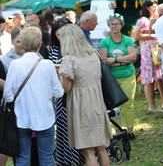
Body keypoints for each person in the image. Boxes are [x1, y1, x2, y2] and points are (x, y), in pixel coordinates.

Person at [3, 26, 64, 165]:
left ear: (23, 44)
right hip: (45, 117)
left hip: (22, 117)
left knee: (22, 158)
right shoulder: (48, 65)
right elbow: (59, 92)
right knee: (46, 158)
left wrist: (17, 101)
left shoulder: (15, 64)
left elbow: (8, 94)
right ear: (40, 43)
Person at [58, 24, 111, 166]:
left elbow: (65, 88)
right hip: (98, 104)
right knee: (101, 149)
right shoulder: (94, 54)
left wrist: (58, 75)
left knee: (88, 151)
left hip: (81, 107)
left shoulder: (69, 60)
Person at [49, 18, 84, 166]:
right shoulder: (54, 50)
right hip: (61, 97)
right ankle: (66, 161)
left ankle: (80, 160)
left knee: (78, 131)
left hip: (78, 96)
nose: (62, 38)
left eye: (64, 34)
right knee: (64, 131)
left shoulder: (79, 50)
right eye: (58, 35)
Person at [99, 13, 137, 132]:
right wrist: (124, 60)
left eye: (116, 24)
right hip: (111, 79)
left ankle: (130, 130)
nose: (114, 26)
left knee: (128, 104)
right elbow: (105, 61)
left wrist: (115, 60)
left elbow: (133, 57)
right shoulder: (105, 42)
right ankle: (120, 130)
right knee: (115, 105)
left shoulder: (128, 40)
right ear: (108, 25)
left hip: (127, 76)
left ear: (121, 25)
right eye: (112, 24)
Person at [134, 0, 163, 112]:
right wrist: (153, 35)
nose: (156, 8)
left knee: (160, 78)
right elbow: (136, 36)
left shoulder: (159, 20)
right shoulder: (142, 20)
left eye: (156, 6)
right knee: (149, 80)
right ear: (148, 8)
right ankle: (152, 106)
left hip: (158, 51)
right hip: (147, 53)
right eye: (154, 6)